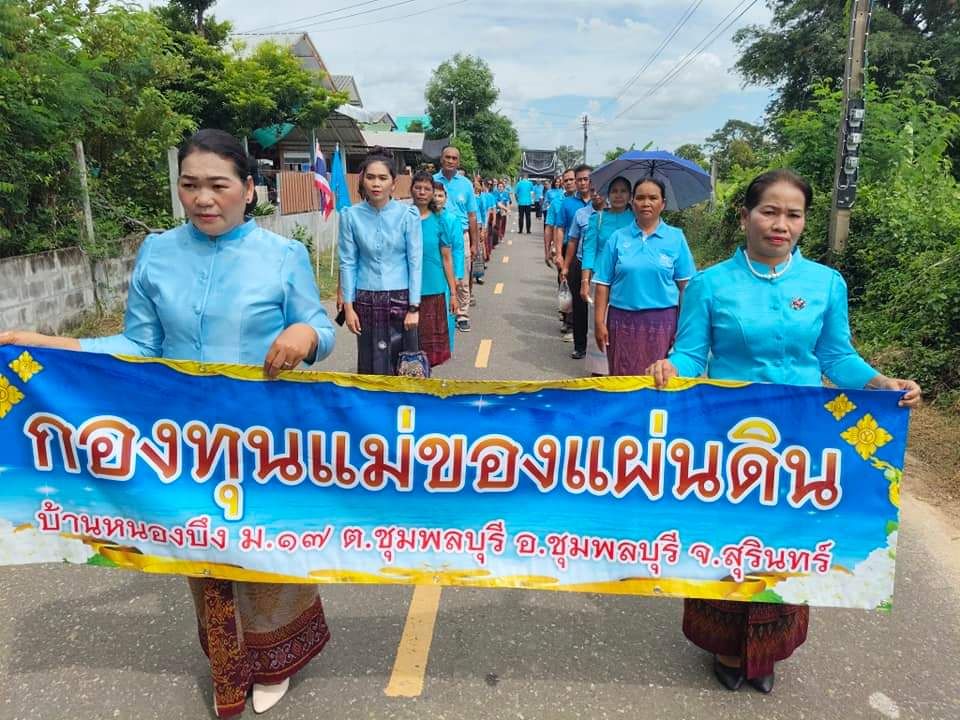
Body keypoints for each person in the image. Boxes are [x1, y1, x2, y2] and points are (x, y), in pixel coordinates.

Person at [0, 128, 336, 717]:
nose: (204, 198)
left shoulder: (284, 256)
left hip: (261, 437)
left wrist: (305, 334)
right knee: (203, 554)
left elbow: (321, 328)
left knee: (261, 552)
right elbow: (138, 343)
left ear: (248, 190)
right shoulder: (157, 252)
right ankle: (229, 666)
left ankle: (276, 655)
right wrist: (54, 345)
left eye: (218, 185)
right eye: (190, 185)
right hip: (181, 440)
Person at [648, 169, 922, 693]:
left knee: (784, 539)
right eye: (769, 211)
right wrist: (671, 368)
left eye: (792, 214)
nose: (781, 224)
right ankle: (727, 646)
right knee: (730, 536)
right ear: (745, 215)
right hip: (725, 436)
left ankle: (767, 649)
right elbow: (689, 352)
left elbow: (836, 356)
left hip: (802, 438)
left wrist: (880, 381)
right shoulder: (710, 284)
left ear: (803, 223)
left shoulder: (825, 284)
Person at [594, 176, 695, 375]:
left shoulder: (676, 237)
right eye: (640, 197)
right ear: (632, 202)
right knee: (622, 380)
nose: (646, 203)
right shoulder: (617, 238)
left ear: (663, 203)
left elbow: (686, 288)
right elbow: (602, 283)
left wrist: (683, 327)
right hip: (621, 322)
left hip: (662, 323)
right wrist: (599, 322)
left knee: (658, 379)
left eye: (653, 198)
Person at [340, 147, 423, 374]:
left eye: (382, 178)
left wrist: (414, 307)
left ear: (393, 183)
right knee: (369, 364)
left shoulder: (408, 216)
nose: (376, 184)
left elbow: (415, 262)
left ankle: (400, 409)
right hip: (365, 298)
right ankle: (371, 409)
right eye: (371, 177)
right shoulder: (350, 216)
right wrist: (348, 307)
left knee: (401, 365)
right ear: (363, 180)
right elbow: (348, 261)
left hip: (400, 298)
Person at [580, 176, 633, 375]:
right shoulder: (598, 218)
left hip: (627, 282)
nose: (618, 195)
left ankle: (623, 366)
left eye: (623, 191)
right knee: (598, 323)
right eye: (614, 191)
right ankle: (599, 371)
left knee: (625, 323)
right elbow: (589, 250)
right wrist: (585, 281)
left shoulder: (636, 219)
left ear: (630, 196)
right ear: (608, 195)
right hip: (600, 280)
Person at [411, 171, 458, 366]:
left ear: (433, 192)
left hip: (434, 291)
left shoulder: (440, 220)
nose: (422, 192)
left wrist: (453, 293)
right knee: (409, 348)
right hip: (408, 292)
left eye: (427, 189)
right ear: (411, 190)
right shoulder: (403, 218)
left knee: (430, 355)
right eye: (418, 188)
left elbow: (447, 258)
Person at [433, 146, 479, 332]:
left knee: (461, 275)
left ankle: (462, 314)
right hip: (436, 235)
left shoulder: (466, 184)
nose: (450, 161)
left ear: (458, 162)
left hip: (462, 236)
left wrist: (475, 243)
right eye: (447, 157)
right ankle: (442, 309)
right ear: (441, 159)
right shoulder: (432, 181)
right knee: (438, 273)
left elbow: (472, 215)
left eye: (454, 158)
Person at [563, 185, 603, 360]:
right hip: (581, 265)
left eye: (600, 191)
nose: (596, 194)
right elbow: (573, 241)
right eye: (593, 190)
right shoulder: (582, 214)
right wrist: (566, 266)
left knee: (600, 310)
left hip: (604, 270)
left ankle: (601, 348)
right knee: (580, 308)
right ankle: (580, 346)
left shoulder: (614, 216)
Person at [557, 164, 592, 350]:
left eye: (586, 178)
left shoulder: (604, 205)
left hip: (602, 264)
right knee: (579, 303)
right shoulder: (570, 205)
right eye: (579, 179)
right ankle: (579, 344)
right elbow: (566, 235)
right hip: (578, 259)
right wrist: (564, 263)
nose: (582, 182)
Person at [433, 182, 463, 351]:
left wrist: (457, 275)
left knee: (447, 308)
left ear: (445, 198)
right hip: (429, 270)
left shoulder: (452, 219)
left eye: (440, 195)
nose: (437, 199)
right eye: (434, 195)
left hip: (447, 271)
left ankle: (446, 346)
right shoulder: (422, 216)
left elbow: (458, 249)